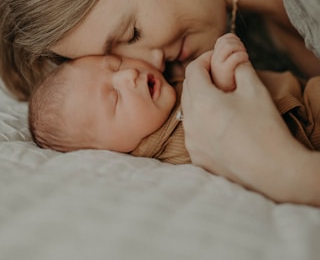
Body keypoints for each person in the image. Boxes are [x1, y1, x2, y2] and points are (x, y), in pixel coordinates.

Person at [1, 0, 320, 204]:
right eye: (115, 60)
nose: (151, 64)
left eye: (132, 31)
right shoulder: (231, 38)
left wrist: (272, 167)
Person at [29, 33, 320, 168]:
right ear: (109, 150)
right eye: (114, 98)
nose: (128, 75)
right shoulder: (175, 146)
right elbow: (233, 140)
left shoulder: (165, 97)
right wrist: (223, 80)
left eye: (116, 64)